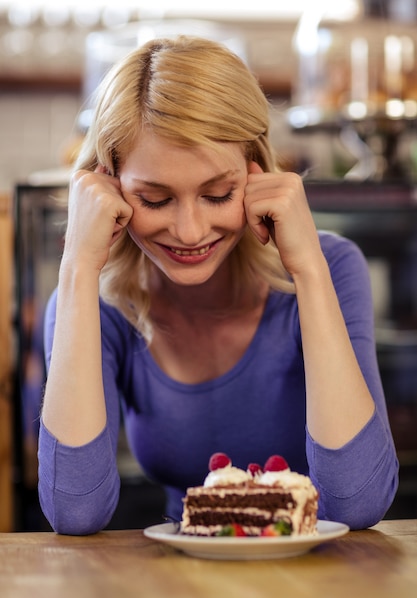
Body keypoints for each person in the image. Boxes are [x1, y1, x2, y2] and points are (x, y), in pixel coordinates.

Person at [38, 35, 398, 535]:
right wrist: (78, 268)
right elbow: (74, 514)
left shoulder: (330, 266)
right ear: (108, 185)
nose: (189, 231)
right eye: (155, 199)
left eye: (218, 193)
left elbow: (355, 504)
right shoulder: (92, 304)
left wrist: (309, 272)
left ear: (256, 171)